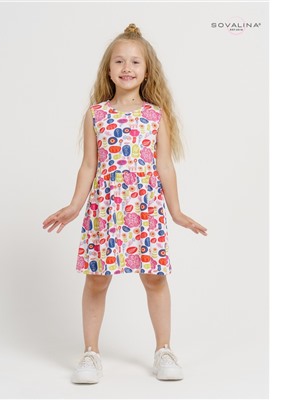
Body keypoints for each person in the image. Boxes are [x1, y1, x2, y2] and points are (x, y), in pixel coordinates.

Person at [42, 23, 208, 384]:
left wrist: (176, 212)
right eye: (119, 61)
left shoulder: (156, 116)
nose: (127, 67)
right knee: (97, 279)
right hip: (106, 210)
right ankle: (90, 353)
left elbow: (165, 166)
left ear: (147, 71)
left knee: (155, 278)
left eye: (135, 61)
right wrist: (74, 206)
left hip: (145, 210)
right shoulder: (96, 114)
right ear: (108, 69)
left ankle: (164, 349)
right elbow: (89, 166)